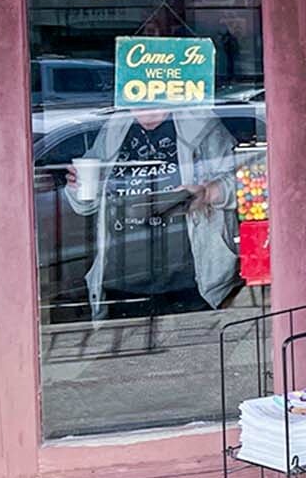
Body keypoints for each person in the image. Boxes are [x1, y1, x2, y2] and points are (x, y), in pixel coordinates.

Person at [64, 106, 239, 321]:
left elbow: (241, 180)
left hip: (188, 280)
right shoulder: (115, 128)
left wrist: (208, 192)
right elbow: (84, 206)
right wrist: (78, 186)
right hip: (122, 280)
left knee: (194, 351)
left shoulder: (200, 123)